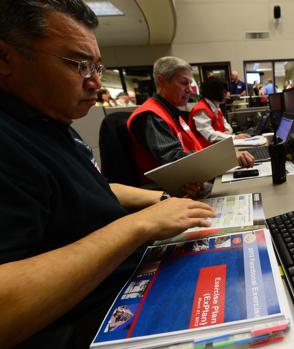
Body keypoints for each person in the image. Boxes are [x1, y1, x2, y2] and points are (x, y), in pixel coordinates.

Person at [0, 2, 216, 348]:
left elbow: (94, 188)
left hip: (128, 283)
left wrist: (162, 201)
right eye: (78, 64)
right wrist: (139, 225)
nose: (96, 83)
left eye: (96, 66)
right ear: (6, 58)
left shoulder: (52, 123)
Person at [127, 57, 254, 185]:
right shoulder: (152, 115)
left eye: (190, 84)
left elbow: (193, 150)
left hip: (194, 179)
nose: (189, 89)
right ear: (161, 81)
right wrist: (225, 157)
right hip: (169, 191)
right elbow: (176, 162)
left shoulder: (173, 113)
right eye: (183, 83)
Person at [188, 76, 251, 148]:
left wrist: (227, 134)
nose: (227, 94)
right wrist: (234, 137)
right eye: (224, 91)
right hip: (204, 152)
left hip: (217, 147)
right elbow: (210, 135)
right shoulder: (201, 110)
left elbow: (228, 127)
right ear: (215, 92)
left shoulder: (216, 106)